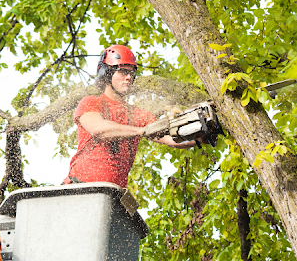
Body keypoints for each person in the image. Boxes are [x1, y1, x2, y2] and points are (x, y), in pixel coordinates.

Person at [64, 45, 200, 188]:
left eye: (131, 73)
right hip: (79, 189)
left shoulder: (138, 115)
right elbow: (98, 129)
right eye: (123, 71)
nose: (129, 77)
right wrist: (140, 131)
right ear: (106, 73)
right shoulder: (92, 102)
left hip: (113, 195)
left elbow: (171, 139)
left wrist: (198, 137)